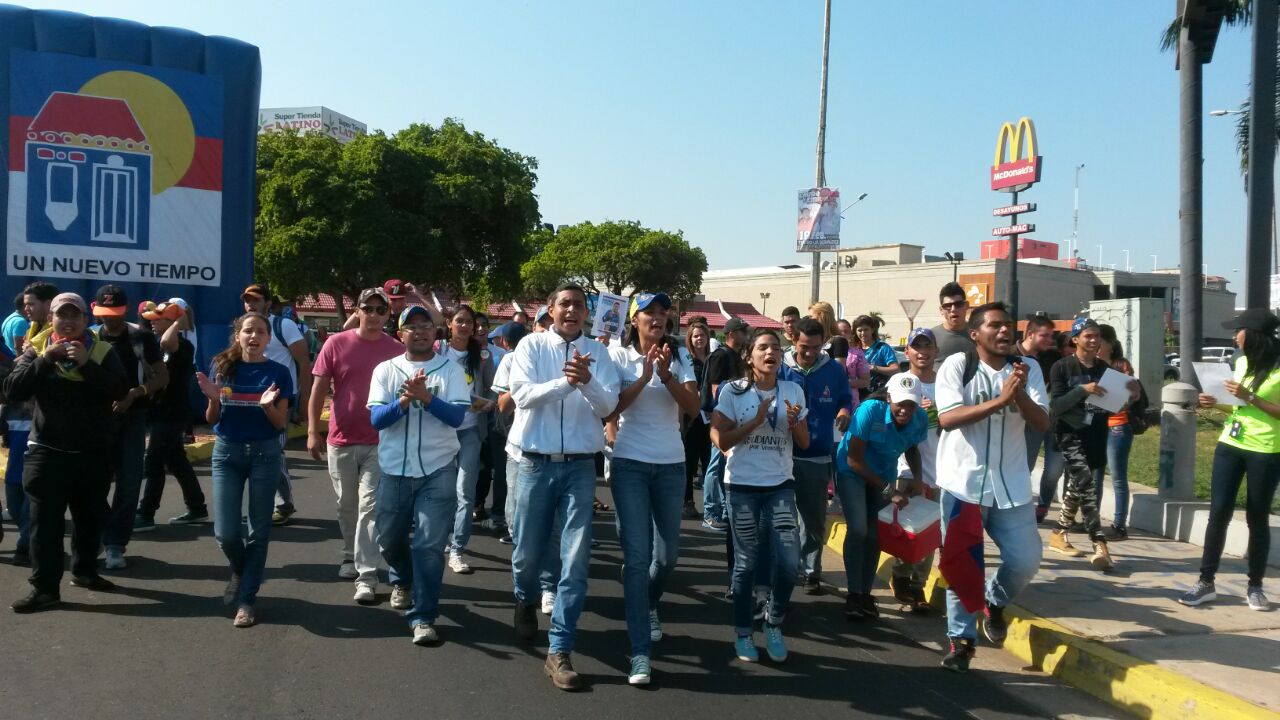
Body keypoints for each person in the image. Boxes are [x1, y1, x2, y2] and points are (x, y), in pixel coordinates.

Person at [507, 283, 619, 691]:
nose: (572, 310)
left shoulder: (600, 353)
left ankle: (560, 650)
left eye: (580, 305)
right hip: (535, 464)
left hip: (578, 469)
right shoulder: (531, 348)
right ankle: (524, 596)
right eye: (565, 304)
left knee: (574, 560)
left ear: (588, 313)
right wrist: (567, 384)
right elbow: (522, 396)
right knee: (527, 551)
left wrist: (587, 381)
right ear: (550, 309)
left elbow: (608, 407)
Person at [934, 301, 1049, 673]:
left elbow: (1043, 423)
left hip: (1011, 483)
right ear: (975, 334)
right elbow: (948, 417)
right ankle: (961, 640)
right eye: (995, 325)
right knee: (963, 565)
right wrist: (1001, 399)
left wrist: (1016, 396)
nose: (1004, 331)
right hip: (963, 483)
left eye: (1008, 326)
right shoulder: (958, 365)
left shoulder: (1027, 369)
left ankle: (994, 602)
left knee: (1026, 558)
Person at [6, 292, 127, 613]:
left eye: (75, 316)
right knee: (44, 524)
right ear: (51, 319)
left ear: (86, 320)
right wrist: (47, 359)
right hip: (47, 451)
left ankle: (85, 572)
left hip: (92, 452)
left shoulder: (102, 351)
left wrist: (87, 366)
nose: (69, 321)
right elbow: (13, 389)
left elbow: (119, 391)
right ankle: (45, 589)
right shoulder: (36, 350)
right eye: (62, 315)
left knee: (90, 519)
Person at [605, 292, 699, 685]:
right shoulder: (616, 356)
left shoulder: (679, 357)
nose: (658, 318)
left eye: (663, 313)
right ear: (634, 320)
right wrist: (644, 376)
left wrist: (666, 376)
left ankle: (649, 602)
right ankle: (640, 652)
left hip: (671, 466)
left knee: (670, 557)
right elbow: (608, 409)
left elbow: (693, 408)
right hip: (629, 464)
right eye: (650, 313)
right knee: (637, 557)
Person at [368, 305, 471, 645]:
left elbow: (457, 418)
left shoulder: (450, 369)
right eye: (411, 326)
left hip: (438, 469)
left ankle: (423, 616)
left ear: (435, 331)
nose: (420, 331)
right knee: (388, 539)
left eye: (426, 325)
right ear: (400, 334)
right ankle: (401, 577)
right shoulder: (386, 369)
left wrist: (426, 398)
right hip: (395, 469)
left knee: (428, 545)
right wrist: (402, 401)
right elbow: (376, 420)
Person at [710, 328, 809, 664]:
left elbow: (805, 443)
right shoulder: (733, 392)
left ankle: (774, 621)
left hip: (780, 484)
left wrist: (795, 423)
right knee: (746, 563)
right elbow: (722, 441)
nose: (771, 353)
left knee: (788, 562)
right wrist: (753, 422)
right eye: (763, 348)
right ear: (748, 355)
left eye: (776, 349)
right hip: (741, 487)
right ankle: (742, 632)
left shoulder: (793, 389)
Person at [196, 313, 294, 628]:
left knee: (258, 530)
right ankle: (241, 569)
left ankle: (247, 600)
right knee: (225, 532)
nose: (254, 337)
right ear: (238, 335)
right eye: (248, 331)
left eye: (260, 332)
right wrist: (213, 401)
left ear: (268, 339)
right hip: (227, 453)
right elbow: (213, 419)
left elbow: (280, 423)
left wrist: (267, 406)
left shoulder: (279, 373)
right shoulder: (223, 367)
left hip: (264, 453)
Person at [308, 288, 404, 604]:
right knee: (346, 505)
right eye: (369, 308)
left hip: (381, 441)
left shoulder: (396, 350)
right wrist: (312, 430)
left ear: (388, 315)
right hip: (341, 439)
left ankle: (367, 575)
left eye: (381, 310)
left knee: (369, 507)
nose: (374, 315)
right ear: (358, 310)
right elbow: (319, 388)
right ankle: (349, 553)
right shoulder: (336, 343)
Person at [1180, 309, 1280, 611]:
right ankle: (1205, 582)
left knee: (1256, 517)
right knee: (1218, 512)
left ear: (1254, 334)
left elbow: (1262, 406)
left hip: (1265, 449)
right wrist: (1215, 404)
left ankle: (1255, 586)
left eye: (1238, 330)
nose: (1234, 336)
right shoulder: (1241, 362)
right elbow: (1237, 407)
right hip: (1230, 444)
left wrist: (1250, 397)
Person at [837, 372, 927, 618]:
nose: (905, 410)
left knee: (876, 534)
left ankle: (866, 594)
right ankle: (853, 593)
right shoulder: (870, 411)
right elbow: (854, 459)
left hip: (883, 473)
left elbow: (912, 449)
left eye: (911, 404)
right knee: (858, 530)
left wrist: (918, 480)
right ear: (889, 398)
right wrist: (889, 490)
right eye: (900, 403)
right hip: (852, 471)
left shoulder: (919, 419)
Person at [1048, 317, 1134, 571]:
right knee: (1085, 484)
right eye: (1088, 336)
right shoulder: (1062, 367)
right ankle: (1100, 543)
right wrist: (1082, 390)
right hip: (1069, 434)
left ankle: (1058, 532)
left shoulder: (1106, 370)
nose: (1094, 340)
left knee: (1077, 484)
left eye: (1097, 336)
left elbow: (1114, 407)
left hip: (1096, 433)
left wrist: (1130, 396)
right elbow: (1057, 406)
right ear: (1075, 339)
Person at [94, 285, 169, 570]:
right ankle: (103, 531)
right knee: (92, 482)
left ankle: (115, 543)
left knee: (129, 482)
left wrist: (135, 394)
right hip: (96, 422)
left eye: (114, 314)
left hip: (133, 420)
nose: (109, 320)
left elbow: (162, 377)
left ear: (125, 310)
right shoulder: (89, 336)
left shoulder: (141, 337)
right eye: (103, 314)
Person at [780, 317, 852, 594]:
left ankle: (811, 570)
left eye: (815, 347)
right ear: (793, 341)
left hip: (817, 455)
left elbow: (845, 398)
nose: (809, 353)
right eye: (803, 347)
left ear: (823, 343)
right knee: (782, 519)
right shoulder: (781, 368)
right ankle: (786, 568)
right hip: (780, 454)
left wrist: (844, 412)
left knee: (813, 520)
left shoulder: (833, 369)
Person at [242, 283, 312, 525]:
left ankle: (283, 504)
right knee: (255, 452)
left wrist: (305, 401)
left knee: (273, 449)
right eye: (247, 300)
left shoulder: (285, 326)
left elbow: (304, 363)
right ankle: (262, 505)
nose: (251, 304)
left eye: (256, 299)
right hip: (250, 400)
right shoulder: (245, 328)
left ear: (268, 303)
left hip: (282, 399)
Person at [136, 300, 208, 529]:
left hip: (172, 413)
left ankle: (146, 514)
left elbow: (169, 341)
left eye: (159, 320)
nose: (154, 324)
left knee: (154, 462)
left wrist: (179, 321)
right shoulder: (157, 343)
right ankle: (197, 507)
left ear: (171, 321)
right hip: (160, 411)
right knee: (177, 462)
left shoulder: (183, 346)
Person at [440, 304, 497, 574]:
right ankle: (439, 539)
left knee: (465, 491)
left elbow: (494, 390)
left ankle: (457, 549)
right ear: (449, 323)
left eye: (469, 322)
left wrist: (488, 403)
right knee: (442, 491)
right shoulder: (438, 351)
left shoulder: (482, 356)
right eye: (459, 321)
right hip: (440, 431)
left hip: (471, 431)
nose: (464, 326)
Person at [890, 328, 941, 610]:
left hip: (941, 468)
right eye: (916, 346)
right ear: (907, 352)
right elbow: (890, 418)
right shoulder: (900, 381)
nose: (922, 352)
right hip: (905, 469)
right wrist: (913, 410)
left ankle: (918, 587)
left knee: (930, 535)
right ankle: (900, 576)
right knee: (907, 529)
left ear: (936, 351)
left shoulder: (947, 382)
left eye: (927, 346)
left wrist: (941, 414)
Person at [701, 317, 750, 531]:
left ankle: (721, 510)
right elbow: (715, 390)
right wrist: (724, 419)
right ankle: (710, 512)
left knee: (724, 466)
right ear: (731, 333)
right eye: (742, 331)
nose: (745, 335)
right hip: (721, 419)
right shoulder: (721, 356)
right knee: (715, 466)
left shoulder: (737, 356)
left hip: (733, 419)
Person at [1020, 315, 1065, 523]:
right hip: (1026, 423)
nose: (1049, 340)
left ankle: (1043, 506)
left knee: (1054, 470)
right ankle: (1019, 507)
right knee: (1024, 466)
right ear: (1030, 334)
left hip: (1054, 421)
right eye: (1044, 335)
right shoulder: (1011, 355)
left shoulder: (1052, 357)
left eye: (1051, 335)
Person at [1102, 341, 1146, 540]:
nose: (1129, 374)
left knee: (1118, 478)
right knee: (1096, 477)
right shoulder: (1107, 382)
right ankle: (1092, 520)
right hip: (1103, 429)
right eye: (1125, 370)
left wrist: (1134, 395)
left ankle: (1119, 525)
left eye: (1131, 370)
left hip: (1119, 430)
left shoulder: (1134, 385)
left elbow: (1140, 406)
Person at [682, 321, 713, 517]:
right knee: (689, 463)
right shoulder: (687, 361)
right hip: (691, 418)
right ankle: (687, 502)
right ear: (690, 340)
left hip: (711, 418)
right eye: (695, 336)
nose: (699, 339)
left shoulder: (713, 360)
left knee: (710, 464)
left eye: (702, 335)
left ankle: (712, 506)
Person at [931, 282, 975, 366]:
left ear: (966, 305)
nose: (953, 309)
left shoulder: (979, 334)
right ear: (941, 310)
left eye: (958, 304)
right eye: (948, 305)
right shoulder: (931, 336)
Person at [853, 315, 898, 397]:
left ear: (872, 330)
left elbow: (896, 369)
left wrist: (874, 368)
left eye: (866, 329)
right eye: (860, 330)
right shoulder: (853, 350)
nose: (863, 333)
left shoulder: (883, 348)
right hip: (857, 395)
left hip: (878, 394)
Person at [20, 282, 58, 347]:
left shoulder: (60, 333)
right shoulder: (32, 328)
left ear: (49, 304)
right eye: (25, 305)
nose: (26, 309)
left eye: (31, 304)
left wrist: (33, 352)